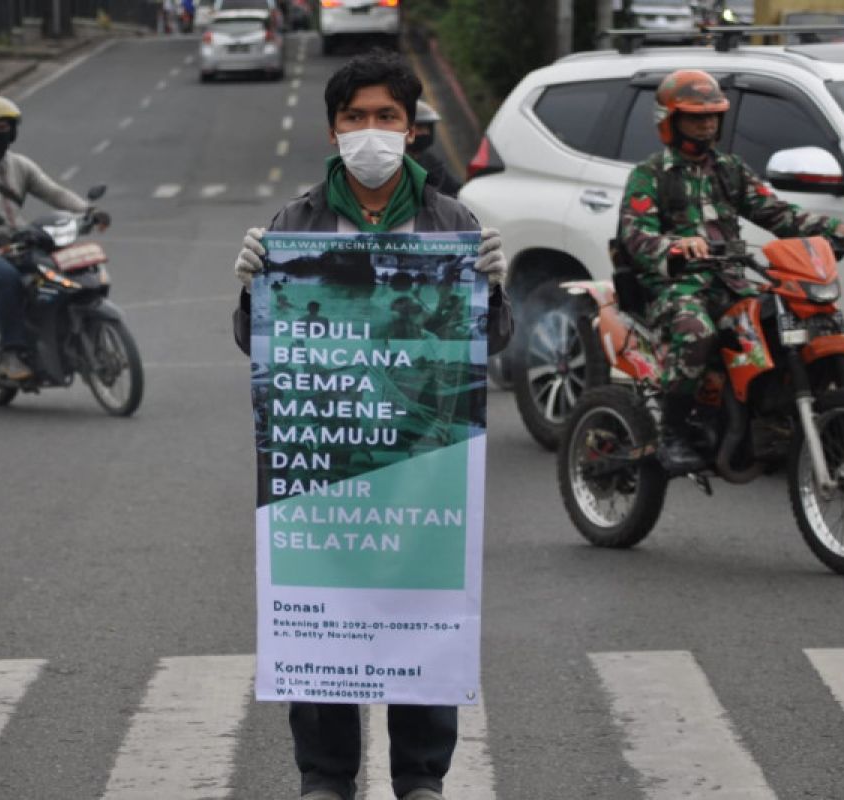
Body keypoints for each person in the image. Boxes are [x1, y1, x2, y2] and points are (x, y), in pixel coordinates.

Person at [231, 50, 512, 800]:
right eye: (355, 117)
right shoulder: (296, 221)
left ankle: (421, 776)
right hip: (324, 467)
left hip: (425, 464)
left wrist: (493, 289)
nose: (371, 131)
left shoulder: (452, 221)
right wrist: (256, 290)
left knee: (421, 615)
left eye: (386, 116)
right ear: (332, 130)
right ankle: (326, 777)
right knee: (323, 620)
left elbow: (486, 348)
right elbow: (259, 346)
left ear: (413, 129)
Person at [617, 68, 844, 474]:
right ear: (670, 120)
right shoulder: (649, 175)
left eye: (713, 115)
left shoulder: (729, 169)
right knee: (696, 331)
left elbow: (779, 213)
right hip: (673, 287)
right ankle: (674, 431)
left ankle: (774, 417)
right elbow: (635, 236)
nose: (707, 124)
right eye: (696, 116)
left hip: (731, 280)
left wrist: (838, 230)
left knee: (785, 322)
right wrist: (678, 246)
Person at [0, 95, 110, 381]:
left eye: (6, 126)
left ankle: (53, 336)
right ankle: (11, 352)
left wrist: (88, 210)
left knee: (57, 275)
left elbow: (53, 192)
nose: (1, 132)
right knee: (10, 282)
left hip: (22, 244)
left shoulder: (19, 165)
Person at [406, 100, 462, 198]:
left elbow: (454, 189)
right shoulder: (395, 163)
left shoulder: (431, 161)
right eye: (419, 127)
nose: (425, 132)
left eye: (428, 127)